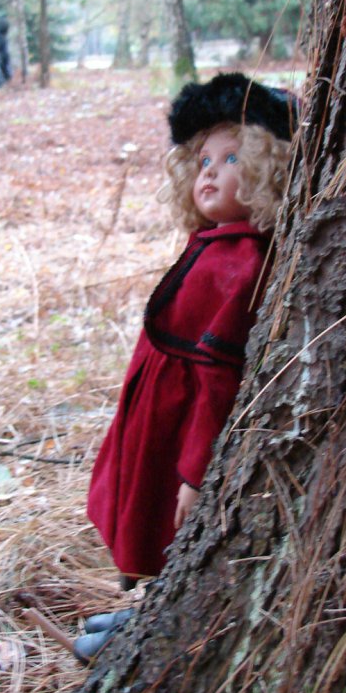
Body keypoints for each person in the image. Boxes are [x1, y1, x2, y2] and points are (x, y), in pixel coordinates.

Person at [75, 72, 297, 661]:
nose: (210, 172)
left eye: (232, 158)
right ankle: (154, 608)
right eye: (203, 160)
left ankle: (160, 624)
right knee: (148, 518)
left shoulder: (243, 263)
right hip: (158, 414)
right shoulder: (219, 246)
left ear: (268, 167)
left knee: (171, 524)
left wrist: (196, 471)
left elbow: (219, 378)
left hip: (182, 427)